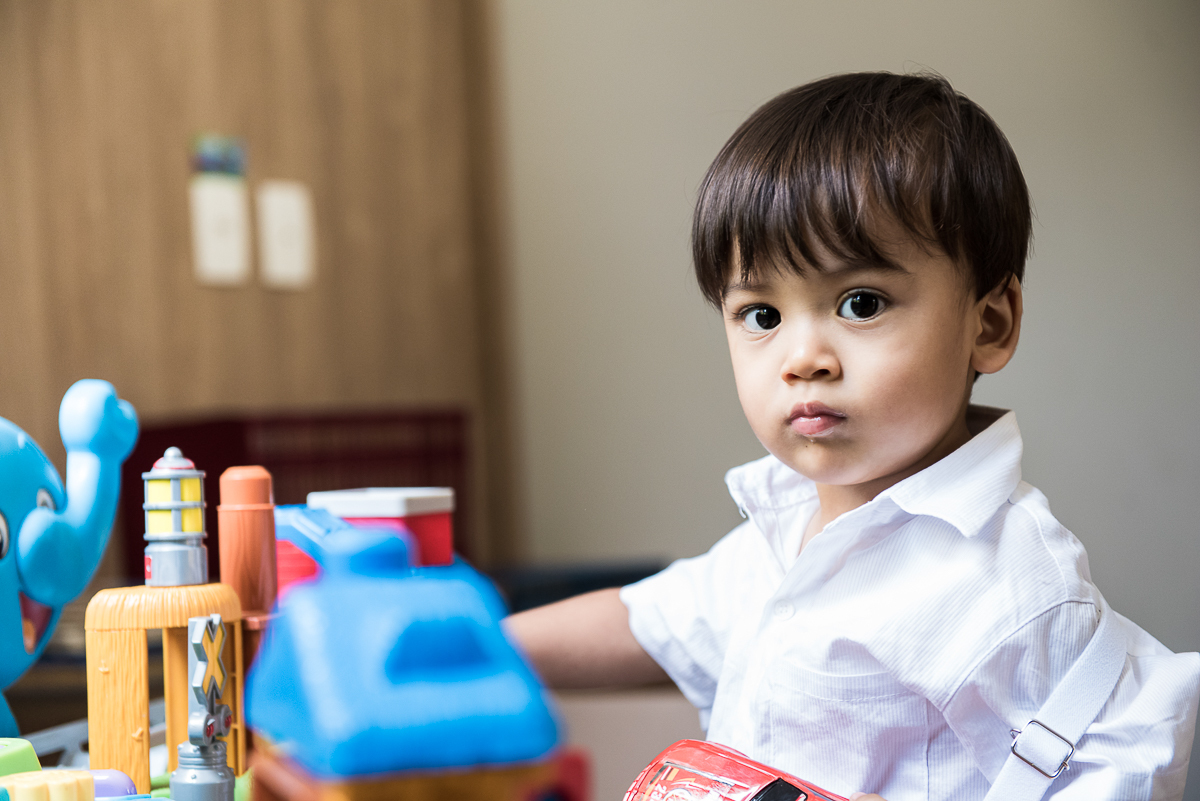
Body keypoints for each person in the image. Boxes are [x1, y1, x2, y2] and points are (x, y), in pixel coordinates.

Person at [504, 72, 1200, 800]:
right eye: (762, 315)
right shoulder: (789, 527)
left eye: (859, 303)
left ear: (989, 324)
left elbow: (1129, 757)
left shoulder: (1009, 581)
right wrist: (476, 642)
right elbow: (653, 619)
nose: (803, 357)